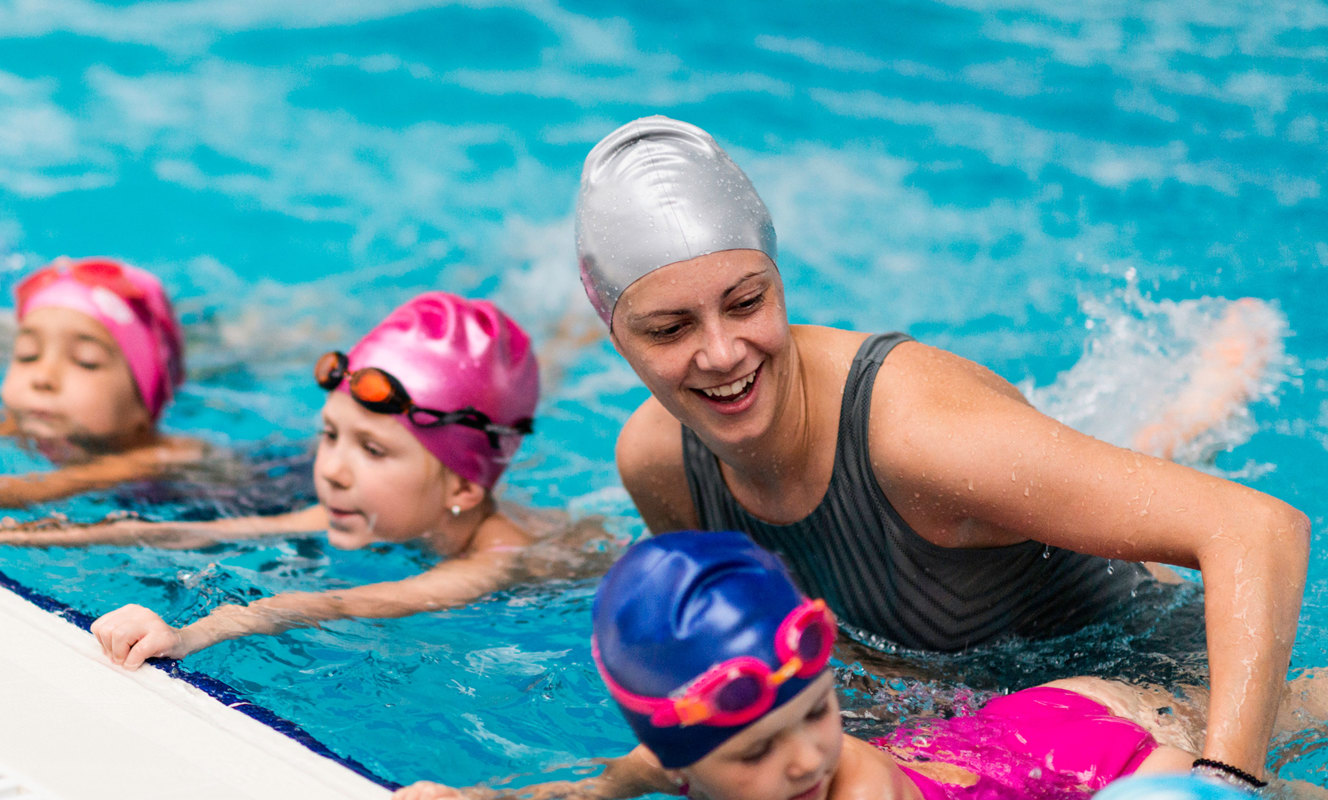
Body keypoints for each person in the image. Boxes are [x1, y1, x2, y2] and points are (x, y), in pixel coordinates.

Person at [573, 116, 1309, 782]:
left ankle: (1203, 400)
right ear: (615, 335)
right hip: (968, 727)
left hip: (1141, 679)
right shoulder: (658, 461)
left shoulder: (917, 437)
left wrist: (1222, 782)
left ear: (780, 280)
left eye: (746, 302)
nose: (722, 353)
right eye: (669, 329)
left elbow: (1257, 529)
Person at [392, 531, 1247, 800]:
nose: (805, 756)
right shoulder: (683, 757)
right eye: (757, 751)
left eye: (813, 714)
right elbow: (612, 781)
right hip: (1013, 732)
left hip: (1106, 752)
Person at [78, 292, 555, 670]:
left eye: (372, 449)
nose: (329, 469)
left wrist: (188, 635)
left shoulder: (499, 560)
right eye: (330, 435)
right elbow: (207, 533)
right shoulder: (370, 503)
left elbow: (345, 601)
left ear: (464, 489)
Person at [0, 256, 197, 506]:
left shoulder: (165, 455)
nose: (43, 378)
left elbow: (36, 488)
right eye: (27, 355)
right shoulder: (20, 421)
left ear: (142, 407)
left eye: (86, 361)